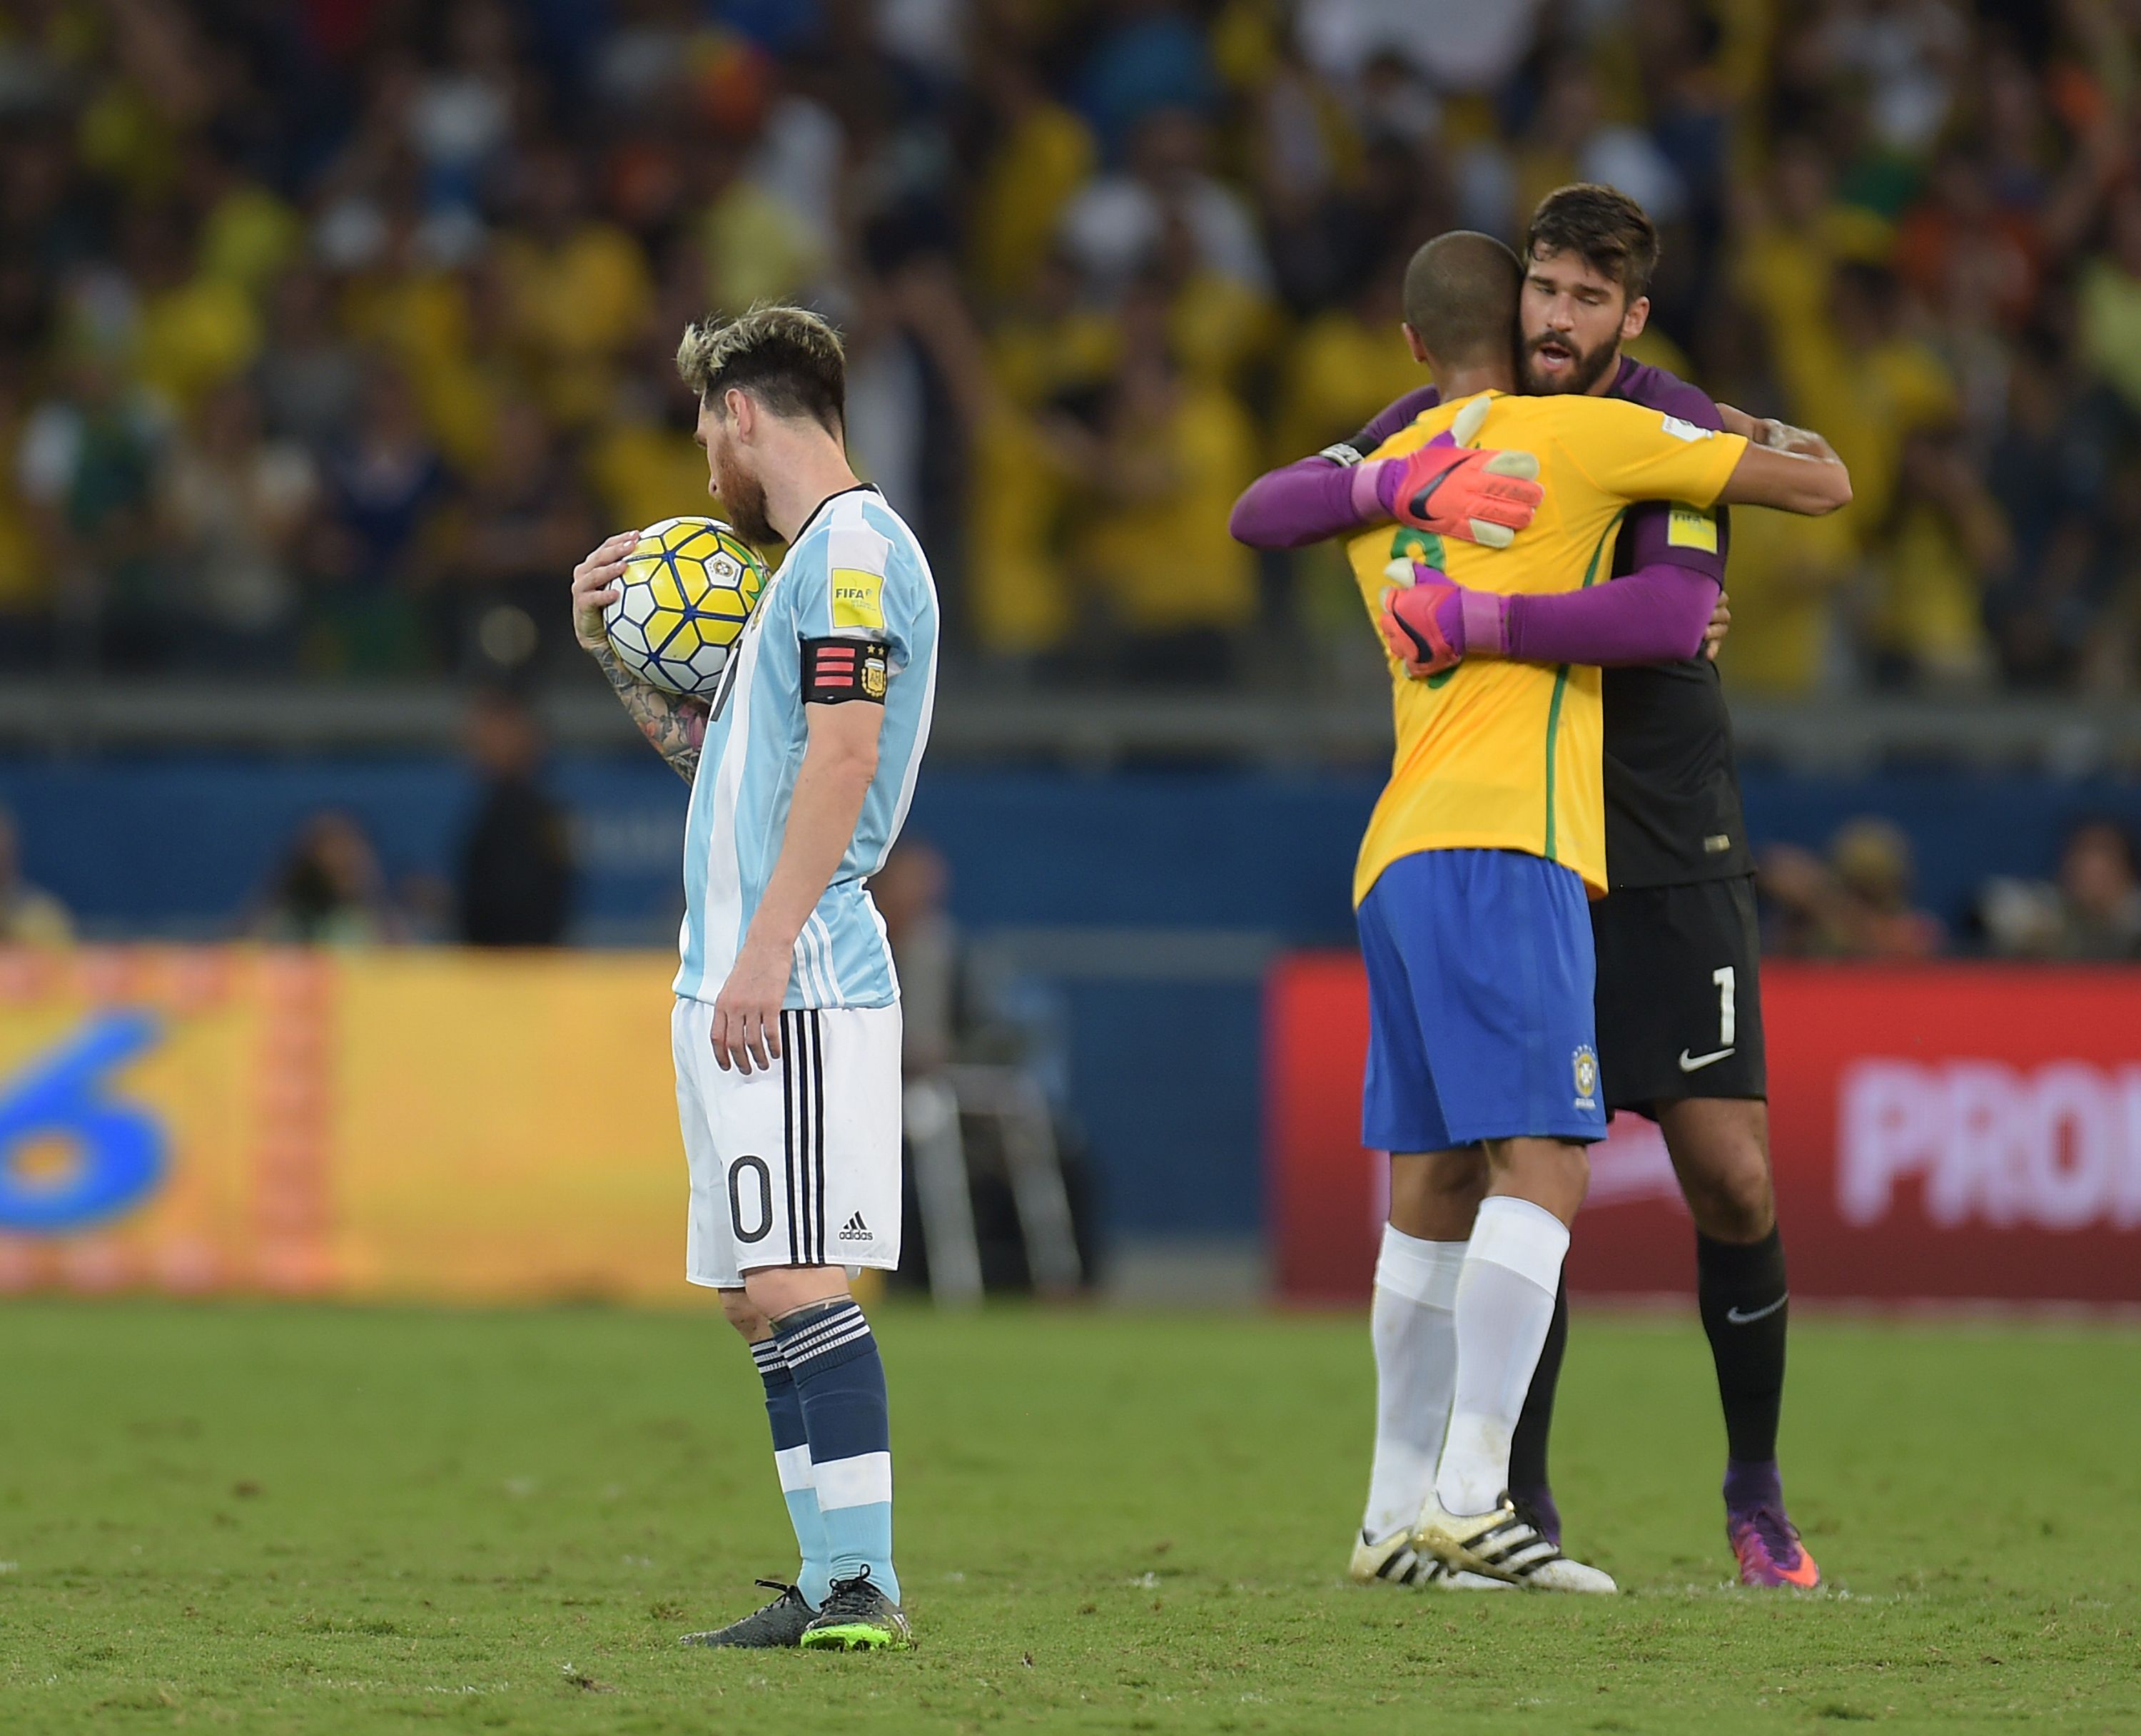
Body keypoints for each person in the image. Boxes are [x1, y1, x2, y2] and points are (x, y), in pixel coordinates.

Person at [1233, 186, 1842, 1591]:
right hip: (1514, 825)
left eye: (1583, 299)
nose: (1554, 320)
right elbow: (1268, 506)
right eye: (1540, 292)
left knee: (1726, 1173)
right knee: (1509, 1157)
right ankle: (1501, 1496)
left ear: (1631, 315)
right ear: (1508, 299)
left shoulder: (1656, 422)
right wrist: (1392, 484)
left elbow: (1680, 611)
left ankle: (1752, 1493)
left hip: (1657, 825)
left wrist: (1484, 618)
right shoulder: (1434, 421)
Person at [567, 304, 937, 1652]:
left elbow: (842, 759)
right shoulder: (805, 570)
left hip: (801, 975)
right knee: (750, 1292)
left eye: (701, 428)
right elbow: (735, 767)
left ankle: (861, 1583)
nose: (703, 467)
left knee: (795, 1278)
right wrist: (612, 649)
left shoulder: (847, 554)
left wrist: (771, 946)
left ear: (738, 410)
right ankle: (828, 1568)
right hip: (738, 969)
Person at [455, 687, 574, 947]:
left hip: (514, 970)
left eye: (490, 732)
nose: (476, 742)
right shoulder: (493, 807)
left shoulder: (526, 812)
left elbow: (522, 903)